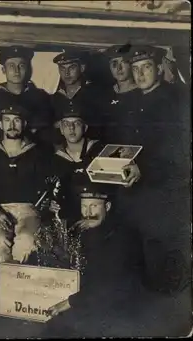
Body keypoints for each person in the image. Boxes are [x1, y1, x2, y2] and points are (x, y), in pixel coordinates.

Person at [115, 45, 190, 296]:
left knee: (159, 256)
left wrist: (143, 167)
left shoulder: (174, 101)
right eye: (135, 69)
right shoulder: (132, 101)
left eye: (146, 67)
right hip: (133, 194)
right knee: (133, 254)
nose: (140, 74)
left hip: (162, 193)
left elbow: (177, 152)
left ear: (159, 68)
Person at [43, 181, 146, 337]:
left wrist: (69, 303)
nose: (88, 213)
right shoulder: (87, 231)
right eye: (84, 207)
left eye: (94, 206)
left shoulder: (122, 236)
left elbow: (110, 286)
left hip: (116, 308)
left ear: (108, 207)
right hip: (90, 300)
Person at [0, 104, 51, 264]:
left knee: (26, 241)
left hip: (27, 210)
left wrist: (39, 206)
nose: (12, 125)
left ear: (24, 124)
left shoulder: (37, 152)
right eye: (7, 120)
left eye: (17, 120)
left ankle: (22, 286)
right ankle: (3, 286)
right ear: (0, 124)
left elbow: (45, 187)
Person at [0, 46, 53, 146]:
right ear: (3, 70)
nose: (16, 70)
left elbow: (44, 129)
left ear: (27, 69)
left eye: (21, 66)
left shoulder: (40, 97)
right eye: (11, 66)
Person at [50, 51, 105, 140]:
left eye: (72, 68)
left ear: (82, 68)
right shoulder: (55, 98)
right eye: (62, 68)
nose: (67, 73)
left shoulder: (95, 94)